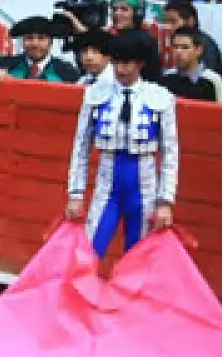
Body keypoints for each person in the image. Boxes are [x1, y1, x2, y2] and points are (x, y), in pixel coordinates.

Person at [65, 31, 179, 259]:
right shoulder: (94, 94)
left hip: (145, 190)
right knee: (88, 252)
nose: (120, 70)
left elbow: (170, 152)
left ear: (140, 64)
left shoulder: (161, 97)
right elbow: (80, 147)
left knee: (137, 261)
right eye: (116, 63)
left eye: (127, 64)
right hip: (106, 188)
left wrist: (165, 200)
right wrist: (75, 193)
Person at [159, 27, 222, 102]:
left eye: (185, 47)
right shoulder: (167, 76)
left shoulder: (212, 80)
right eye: (175, 47)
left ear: (198, 50)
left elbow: (221, 111)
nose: (178, 52)